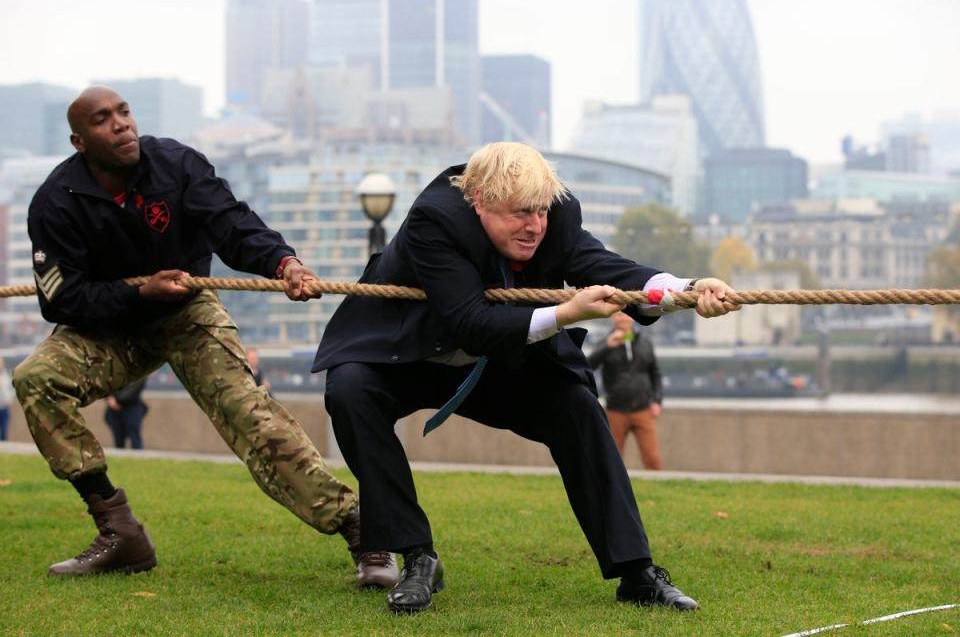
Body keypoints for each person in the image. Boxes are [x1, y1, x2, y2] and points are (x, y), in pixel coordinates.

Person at [314, 142, 739, 613]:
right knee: (349, 391)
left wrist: (684, 287)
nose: (534, 226)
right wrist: (565, 312)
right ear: (478, 199)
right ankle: (417, 558)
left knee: (577, 409)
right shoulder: (434, 218)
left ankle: (637, 573)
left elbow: (601, 264)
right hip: (407, 354)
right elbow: (470, 321)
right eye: (520, 213)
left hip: (503, 361)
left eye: (540, 211)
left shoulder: (556, 213)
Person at [12, 86, 397, 589]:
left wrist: (284, 262)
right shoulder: (54, 203)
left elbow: (232, 224)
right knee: (35, 379)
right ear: (79, 141)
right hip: (108, 328)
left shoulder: (175, 163)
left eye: (124, 112)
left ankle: (363, 531)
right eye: (103, 120)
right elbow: (60, 301)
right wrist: (139, 293)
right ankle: (119, 531)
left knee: (249, 414)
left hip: (186, 313)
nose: (121, 124)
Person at [588, 312, 664, 469]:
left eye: (627, 315)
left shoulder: (645, 342)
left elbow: (655, 373)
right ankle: (612, 491)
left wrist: (657, 400)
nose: (623, 318)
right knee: (613, 458)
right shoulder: (606, 342)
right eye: (619, 315)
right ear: (613, 318)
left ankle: (658, 488)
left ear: (633, 317)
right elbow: (588, 366)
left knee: (652, 458)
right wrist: (607, 346)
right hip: (616, 410)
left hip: (642, 409)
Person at [104, 378, 149, 450]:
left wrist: (116, 400)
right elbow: (105, 382)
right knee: (118, 437)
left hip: (131, 407)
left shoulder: (139, 373)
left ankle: (137, 456)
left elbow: (135, 387)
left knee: (134, 436)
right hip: (114, 409)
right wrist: (109, 398)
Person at [0, 357, 12, 441]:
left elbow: (11, 389)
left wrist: (10, 399)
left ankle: (4, 446)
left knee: (4, 428)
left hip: (5, 406)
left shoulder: (7, 375)